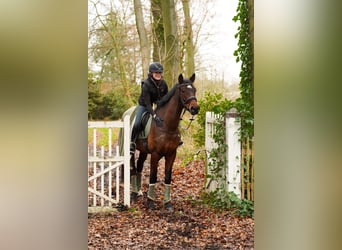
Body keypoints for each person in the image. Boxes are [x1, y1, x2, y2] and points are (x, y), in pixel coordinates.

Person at [130, 62, 168, 154]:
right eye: (156, 73)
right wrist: (154, 116)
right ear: (151, 73)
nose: (158, 75)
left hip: (157, 104)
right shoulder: (146, 84)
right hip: (144, 105)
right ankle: (132, 142)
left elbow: (167, 98)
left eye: (160, 73)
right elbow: (148, 104)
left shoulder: (163, 83)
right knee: (137, 123)